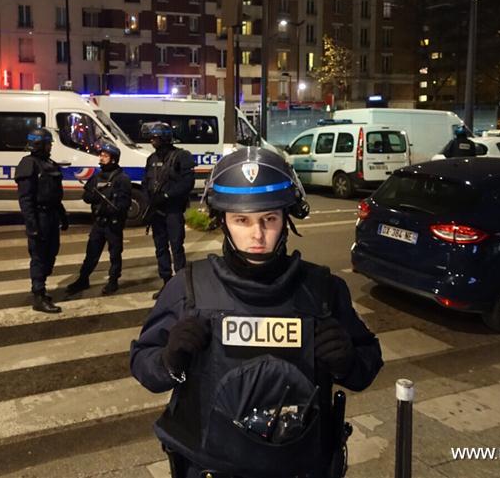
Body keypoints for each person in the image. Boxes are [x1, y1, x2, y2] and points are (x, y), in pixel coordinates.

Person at [130, 147, 383, 478]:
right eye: (242, 220)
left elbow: (366, 366)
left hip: (299, 468)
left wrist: (348, 362)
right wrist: (169, 361)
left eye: (269, 219)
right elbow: (143, 364)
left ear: (286, 218)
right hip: (211, 467)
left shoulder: (323, 289)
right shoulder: (188, 288)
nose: (257, 235)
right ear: (223, 221)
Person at [65, 140, 132, 296]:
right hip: (99, 223)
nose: (101, 158)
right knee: (91, 254)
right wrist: (94, 196)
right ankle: (83, 279)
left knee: (115, 255)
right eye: (101, 155)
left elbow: (124, 203)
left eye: (105, 155)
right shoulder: (97, 177)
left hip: (113, 224)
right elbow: (86, 196)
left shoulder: (122, 179)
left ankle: (113, 281)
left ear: (113, 159)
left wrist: (112, 207)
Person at [16, 128, 69, 314]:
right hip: (39, 217)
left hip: (52, 215)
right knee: (39, 257)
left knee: (51, 254)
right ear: (39, 144)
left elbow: (54, 195)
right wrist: (32, 226)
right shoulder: (28, 164)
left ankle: (41, 286)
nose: (50, 147)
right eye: (48, 144)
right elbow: (26, 199)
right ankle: (38, 295)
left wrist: (63, 215)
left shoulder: (48, 163)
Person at [142, 122, 195, 298]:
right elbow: (146, 183)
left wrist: (166, 196)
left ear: (164, 138)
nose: (152, 141)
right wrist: (149, 201)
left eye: (155, 138)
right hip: (157, 212)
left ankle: (181, 285)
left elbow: (187, 183)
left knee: (176, 248)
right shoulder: (152, 159)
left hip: (173, 210)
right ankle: (167, 283)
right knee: (160, 249)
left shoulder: (181, 156)